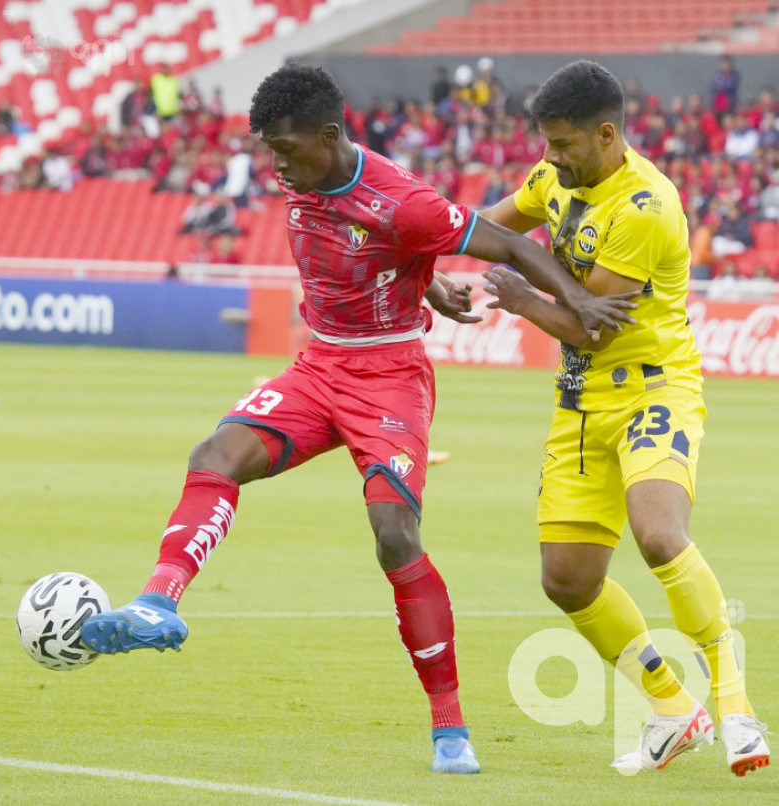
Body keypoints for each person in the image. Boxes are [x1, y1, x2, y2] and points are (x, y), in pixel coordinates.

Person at [80, 63, 633, 775]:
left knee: (393, 534)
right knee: (215, 454)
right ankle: (159, 602)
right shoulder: (301, 168)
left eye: (285, 149)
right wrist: (429, 283)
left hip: (390, 376)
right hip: (321, 365)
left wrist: (578, 304)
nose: (276, 165)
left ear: (329, 135)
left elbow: (516, 245)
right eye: (270, 151)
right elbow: (376, 250)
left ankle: (449, 728)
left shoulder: (406, 203)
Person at [480, 59, 770, 776]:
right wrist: (431, 253)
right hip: (581, 403)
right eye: (546, 144)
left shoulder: (644, 207)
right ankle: (675, 708)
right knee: (568, 580)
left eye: (565, 145)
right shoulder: (555, 178)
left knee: (660, 535)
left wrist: (519, 298)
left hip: (652, 389)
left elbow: (590, 328)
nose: (550, 157)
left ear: (607, 136)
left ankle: (736, 708)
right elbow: (493, 224)